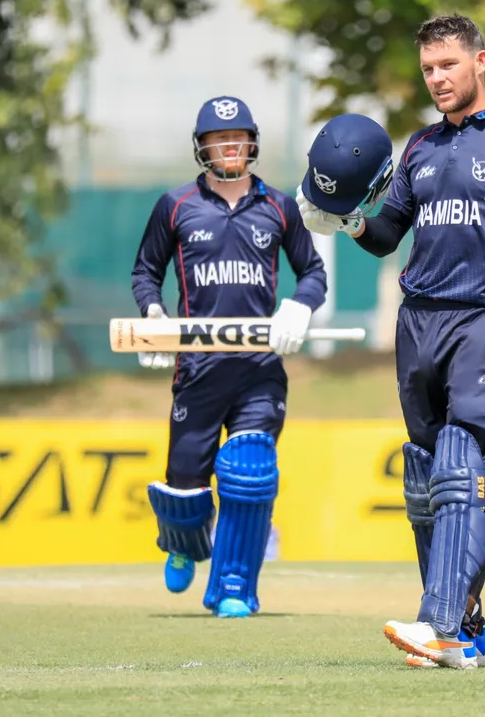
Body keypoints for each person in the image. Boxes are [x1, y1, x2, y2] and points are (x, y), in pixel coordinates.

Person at [297, 14, 485, 668]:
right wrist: (347, 221)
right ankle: (466, 629)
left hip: (482, 315)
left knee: (462, 465)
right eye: (427, 69)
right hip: (417, 321)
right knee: (424, 477)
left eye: (448, 64)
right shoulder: (418, 148)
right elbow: (389, 233)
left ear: (481, 62)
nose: (437, 78)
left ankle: (439, 622)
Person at [131, 95, 328, 619]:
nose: (230, 147)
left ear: (252, 143)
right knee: (186, 487)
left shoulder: (279, 207)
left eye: (237, 138)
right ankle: (182, 539)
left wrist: (299, 308)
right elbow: (144, 272)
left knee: (250, 471)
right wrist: (154, 317)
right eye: (219, 140)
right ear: (203, 148)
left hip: (259, 370)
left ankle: (235, 586)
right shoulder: (174, 206)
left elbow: (313, 273)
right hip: (198, 369)